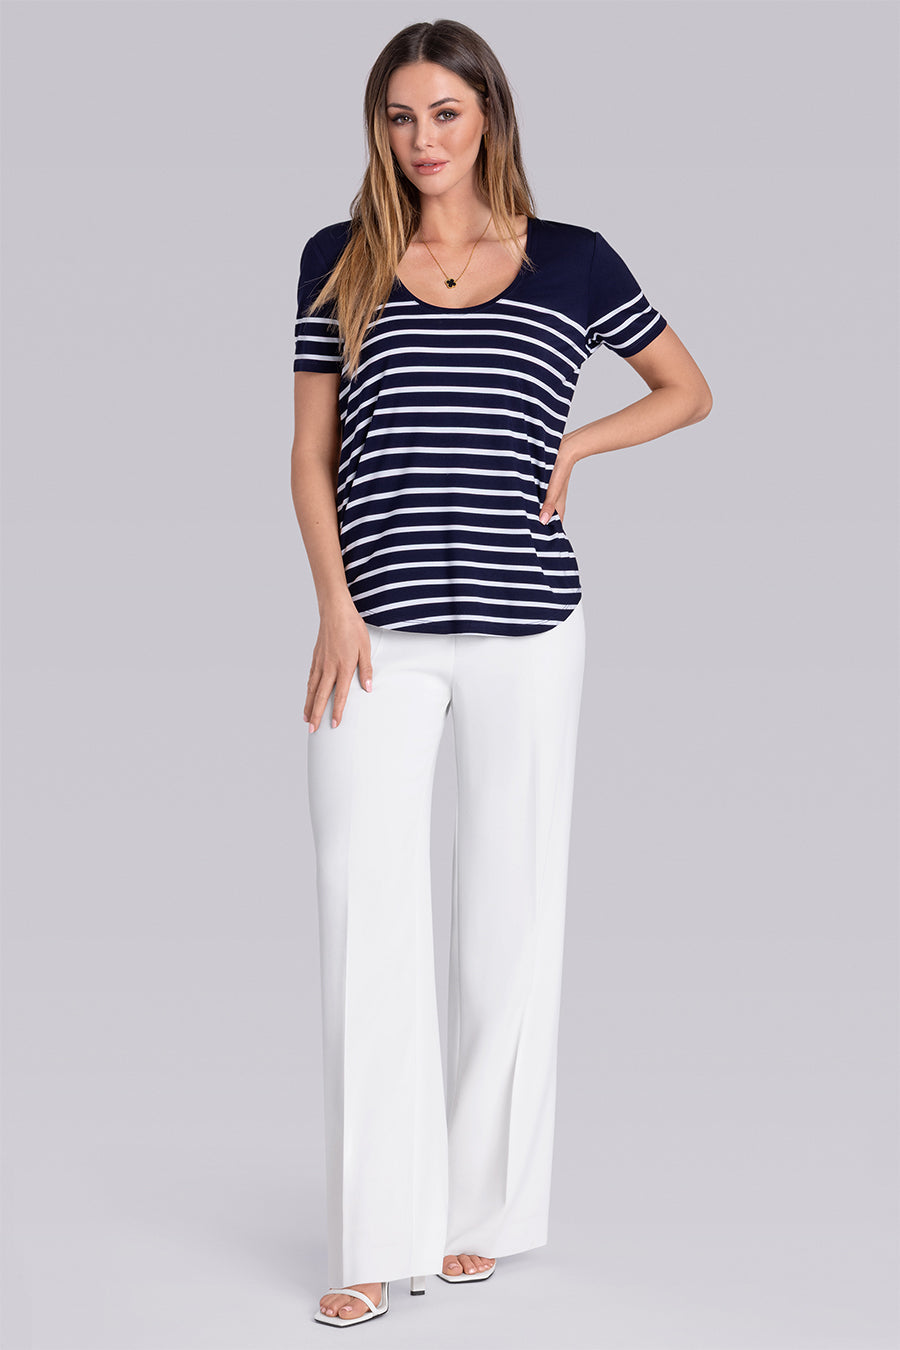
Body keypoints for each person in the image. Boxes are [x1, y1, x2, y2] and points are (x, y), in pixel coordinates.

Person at [290, 18, 712, 1329]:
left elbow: (686, 389)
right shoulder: (338, 258)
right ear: (380, 127)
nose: (423, 140)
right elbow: (310, 455)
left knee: (511, 912)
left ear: (489, 118)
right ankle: (376, 1236)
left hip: (531, 626)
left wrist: (576, 448)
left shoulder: (572, 258)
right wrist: (333, 608)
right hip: (379, 630)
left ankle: (481, 1214)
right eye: (401, 116)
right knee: (365, 909)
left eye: (446, 114)